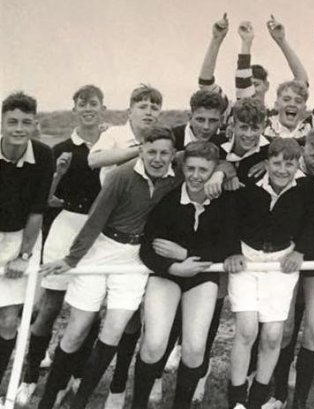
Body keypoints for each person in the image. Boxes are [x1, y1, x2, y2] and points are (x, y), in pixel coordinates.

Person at [37, 126, 227, 409]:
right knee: (76, 329)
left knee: (114, 329)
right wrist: (71, 259)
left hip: (134, 257)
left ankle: (81, 401)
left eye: (165, 153)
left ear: (174, 155)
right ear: (140, 150)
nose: (158, 158)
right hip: (101, 248)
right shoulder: (121, 176)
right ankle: (48, 399)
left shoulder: (177, 174)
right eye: (151, 152)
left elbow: (215, 158)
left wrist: (223, 171)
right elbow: (95, 220)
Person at [131, 141, 239, 409]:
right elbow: (148, 248)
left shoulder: (224, 203)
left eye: (203, 169)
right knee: (154, 344)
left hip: (201, 276)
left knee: (193, 349)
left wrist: (185, 253)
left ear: (215, 171)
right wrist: (172, 266)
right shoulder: (169, 200)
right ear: (182, 168)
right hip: (167, 275)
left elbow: (227, 246)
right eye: (190, 168)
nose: (195, 175)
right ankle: (137, 404)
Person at [16, 86, 105, 406]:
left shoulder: (111, 146)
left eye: (94, 104)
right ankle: (29, 376)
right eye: (82, 104)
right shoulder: (62, 148)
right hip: (67, 224)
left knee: (90, 309)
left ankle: (76, 373)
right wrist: (58, 173)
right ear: (75, 109)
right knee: (50, 305)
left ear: (103, 107)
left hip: (100, 233)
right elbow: (45, 197)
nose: (88, 109)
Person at [224, 138, 314, 409]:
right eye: (276, 163)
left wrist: (300, 251)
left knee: (272, 335)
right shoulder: (248, 185)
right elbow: (230, 219)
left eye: (289, 164)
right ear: (266, 163)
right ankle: (236, 400)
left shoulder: (306, 189)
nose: (282, 170)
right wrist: (233, 251)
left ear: (297, 165)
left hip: (281, 264)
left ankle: (257, 400)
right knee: (246, 330)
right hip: (248, 260)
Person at [268, 127, 314, 409]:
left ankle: (299, 399)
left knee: (313, 327)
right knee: (284, 327)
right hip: (288, 255)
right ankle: (278, 392)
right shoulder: (290, 173)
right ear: (304, 147)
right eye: (313, 154)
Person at [0, 92, 53, 395]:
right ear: (3, 123)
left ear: (34, 124)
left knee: (8, 321)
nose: (19, 128)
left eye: (25, 122)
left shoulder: (43, 156)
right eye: (12, 122)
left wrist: (23, 255)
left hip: (22, 237)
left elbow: (36, 212)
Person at [260, 20, 314, 141]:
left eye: (298, 101)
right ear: (276, 104)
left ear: (304, 108)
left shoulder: (312, 127)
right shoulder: (262, 125)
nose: (292, 104)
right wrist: (281, 41)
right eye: (286, 99)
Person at [88, 85, 163, 184]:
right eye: (142, 107)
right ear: (130, 112)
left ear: (159, 115)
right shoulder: (114, 133)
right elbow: (93, 160)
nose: (148, 112)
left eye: (154, 108)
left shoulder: (160, 139)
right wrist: (140, 149)